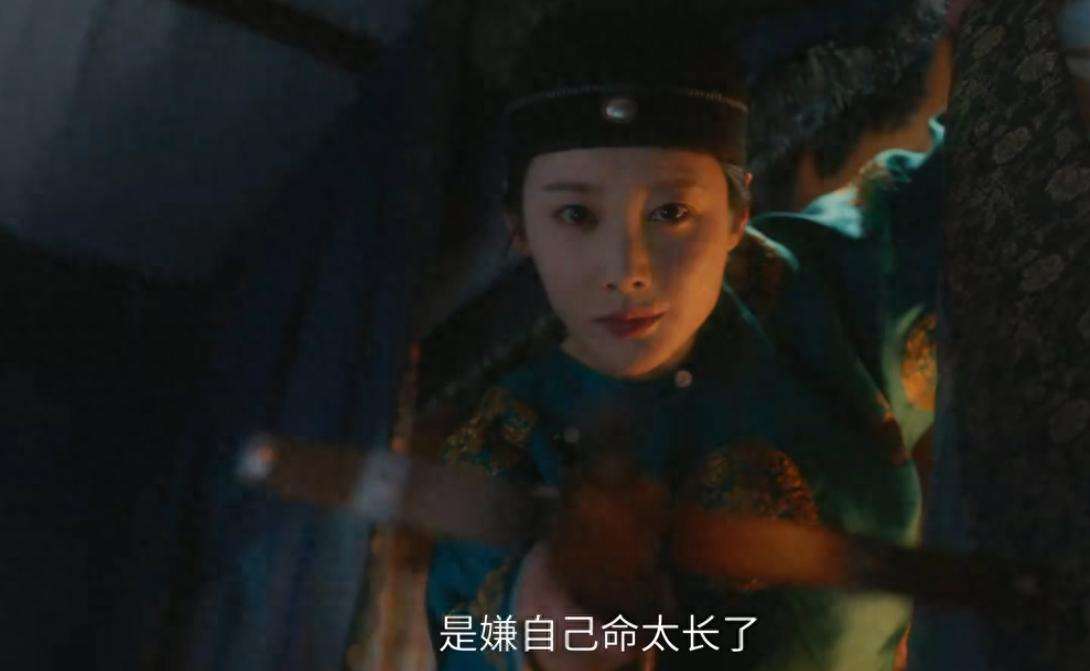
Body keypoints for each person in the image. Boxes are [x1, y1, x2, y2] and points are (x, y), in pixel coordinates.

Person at [426, 5, 921, 670]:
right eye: (575, 214)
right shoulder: (496, 456)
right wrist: (545, 627)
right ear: (520, 230)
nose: (626, 269)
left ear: (737, 210)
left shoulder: (823, 298)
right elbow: (471, 636)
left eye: (672, 211)